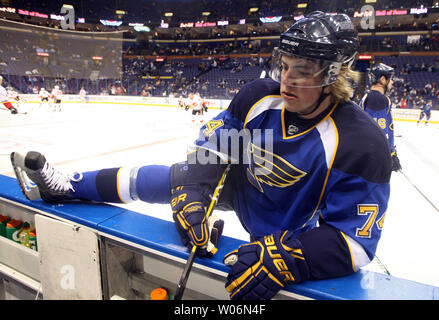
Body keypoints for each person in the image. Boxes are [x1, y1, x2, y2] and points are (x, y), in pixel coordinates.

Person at [10, 12, 392, 300]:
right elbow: (213, 151)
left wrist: (289, 256)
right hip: (246, 185)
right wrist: (193, 192)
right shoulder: (259, 96)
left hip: (295, 222)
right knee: (174, 178)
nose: (286, 80)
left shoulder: (362, 143)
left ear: (335, 75)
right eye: (285, 66)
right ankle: (67, 186)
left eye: (303, 71)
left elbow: (356, 244)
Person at [360, 63, 402, 172]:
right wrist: (387, 154)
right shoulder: (378, 99)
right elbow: (378, 132)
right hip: (374, 159)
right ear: (383, 79)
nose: (392, 82)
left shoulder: (371, 97)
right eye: (391, 79)